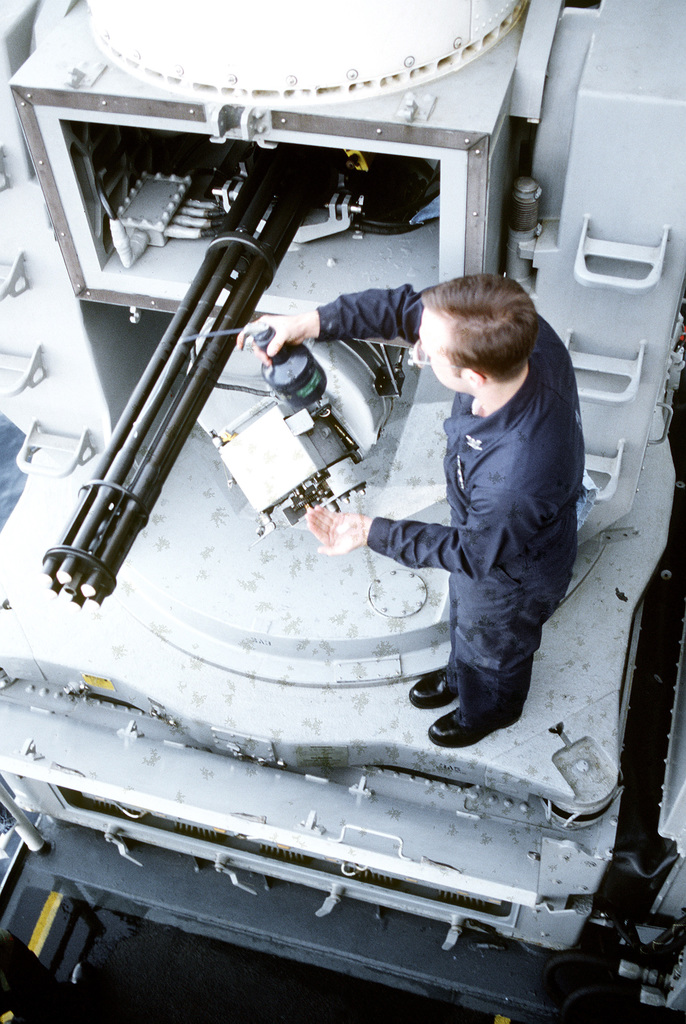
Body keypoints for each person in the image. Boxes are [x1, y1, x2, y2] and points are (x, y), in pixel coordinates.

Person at [244, 275, 585, 748]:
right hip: (488, 532)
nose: (417, 346)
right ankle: (460, 674)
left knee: (495, 645)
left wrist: (370, 531)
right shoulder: (519, 333)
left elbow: (471, 554)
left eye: (427, 350)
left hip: (511, 574)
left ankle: (487, 710)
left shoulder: (518, 476)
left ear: (475, 378)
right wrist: (311, 323)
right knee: (466, 620)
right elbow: (408, 311)